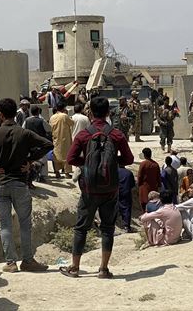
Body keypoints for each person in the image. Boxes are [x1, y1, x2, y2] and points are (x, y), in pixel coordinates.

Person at [0, 98, 53, 273]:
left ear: (0, 114)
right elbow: (48, 144)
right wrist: (30, 160)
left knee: (5, 224)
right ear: (15, 113)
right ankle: (28, 260)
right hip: (20, 184)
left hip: (1, 184)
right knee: (25, 224)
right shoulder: (24, 133)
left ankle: (10, 263)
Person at [60, 96, 134, 278]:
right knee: (108, 228)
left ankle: (75, 268)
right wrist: (113, 162)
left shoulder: (84, 135)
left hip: (89, 189)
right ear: (109, 112)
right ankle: (104, 269)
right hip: (110, 189)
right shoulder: (116, 134)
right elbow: (129, 159)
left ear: (90, 112)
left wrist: (87, 163)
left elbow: (70, 159)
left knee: (81, 228)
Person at [23, 105, 52, 184]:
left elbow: (23, 129)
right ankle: (42, 177)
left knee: (31, 160)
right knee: (43, 161)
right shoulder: (41, 121)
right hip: (40, 143)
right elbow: (49, 129)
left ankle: (31, 178)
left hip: (30, 144)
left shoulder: (27, 120)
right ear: (38, 112)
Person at [49, 101, 74, 179]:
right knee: (66, 156)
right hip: (65, 139)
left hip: (55, 139)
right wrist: (67, 114)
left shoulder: (52, 117)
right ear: (63, 108)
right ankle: (66, 173)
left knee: (56, 156)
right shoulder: (64, 116)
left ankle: (57, 173)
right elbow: (72, 123)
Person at [118, 164, 135, 233]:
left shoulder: (114, 172)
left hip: (117, 192)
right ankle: (126, 226)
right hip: (126, 192)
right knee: (127, 208)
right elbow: (132, 184)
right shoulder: (129, 172)